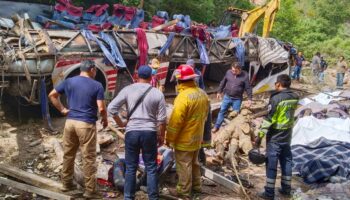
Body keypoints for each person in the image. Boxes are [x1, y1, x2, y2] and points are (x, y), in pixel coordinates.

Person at [48, 60, 108, 199]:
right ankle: (89, 190)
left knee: (68, 154)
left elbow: (52, 95)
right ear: (92, 69)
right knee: (88, 157)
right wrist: (104, 119)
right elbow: (101, 108)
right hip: (86, 124)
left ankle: (66, 183)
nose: (95, 73)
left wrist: (63, 109)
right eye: (95, 71)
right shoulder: (97, 85)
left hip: (70, 122)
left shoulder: (69, 81)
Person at [107, 65, 167, 200]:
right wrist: (161, 135)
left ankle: (128, 197)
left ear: (137, 76)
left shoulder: (128, 90)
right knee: (151, 167)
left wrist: (121, 124)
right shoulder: (157, 93)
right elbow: (162, 120)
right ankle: (153, 197)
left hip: (132, 131)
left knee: (131, 167)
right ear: (151, 77)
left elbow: (111, 108)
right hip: (149, 132)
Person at [166, 64, 209, 199]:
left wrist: (169, 139)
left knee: (184, 165)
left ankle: (183, 192)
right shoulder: (202, 94)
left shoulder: (183, 97)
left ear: (179, 80)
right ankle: (196, 187)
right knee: (195, 163)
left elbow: (175, 122)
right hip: (197, 138)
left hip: (184, 139)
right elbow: (206, 116)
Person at [255, 74, 299, 200]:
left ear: (278, 84)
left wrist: (259, 136)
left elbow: (269, 119)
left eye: (275, 83)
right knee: (286, 161)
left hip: (275, 136)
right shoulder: (295, 97)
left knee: (271, 164)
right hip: (287, 135)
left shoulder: (276, 98)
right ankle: (286, 189)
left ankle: (269, 193)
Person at [212, 63, 252, 133]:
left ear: (240, 70)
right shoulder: (228, 72)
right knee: (222, 111)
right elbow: (223, 82)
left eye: (235, 71)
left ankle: (233, 131)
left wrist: (250, 98)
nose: (233, 72)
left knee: (235, 114)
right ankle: (216, 126)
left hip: (237, 99)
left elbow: (248, 88)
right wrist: (219, 92)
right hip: (227, 97)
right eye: (232, 70)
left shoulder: (245, 76)